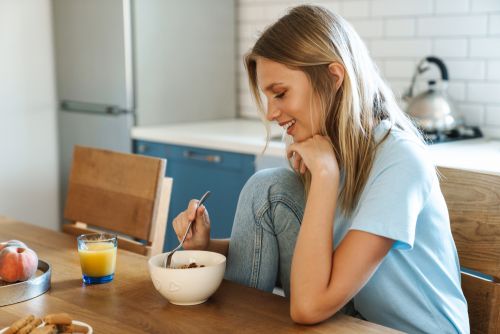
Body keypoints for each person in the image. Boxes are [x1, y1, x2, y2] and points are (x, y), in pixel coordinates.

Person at [172, 5, 469, 333]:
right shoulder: (329, 151)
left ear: (333, 77)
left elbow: (308, 307)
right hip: (359, 320)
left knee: (272, 190)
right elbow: (317, 253)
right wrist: (208, 248)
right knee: (268, 188)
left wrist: (325, 178)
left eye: (280, 93)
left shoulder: (399, 162)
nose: (271, 112)